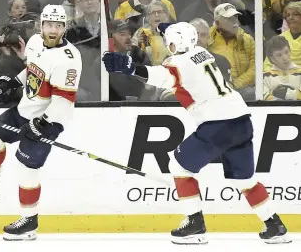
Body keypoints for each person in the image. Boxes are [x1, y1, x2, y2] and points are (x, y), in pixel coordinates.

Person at [102, 22, 290, 245]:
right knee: (245, 180)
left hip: (217, 125)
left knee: (179, 166)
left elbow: (157, 75)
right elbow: (182, 46)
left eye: (168, 40)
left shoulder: (176, 63)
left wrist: (129, 66)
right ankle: (274, 224)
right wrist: (168, 27)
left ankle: (194, 223)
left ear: (173, 44)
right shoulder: (201, 52)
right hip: (241, 121)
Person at [0, 4, 82, 241]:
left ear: (64, 28)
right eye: (49, 24)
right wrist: (14, 82)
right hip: (25, 109)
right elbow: (32, 69)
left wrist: (44, 124)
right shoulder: (36, 42)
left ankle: (29, 221)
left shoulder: (69, 59)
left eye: (58, 25)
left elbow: (64, 100)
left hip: (50, 119)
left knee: (27, 168)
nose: (53, 30)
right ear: (42, 25)